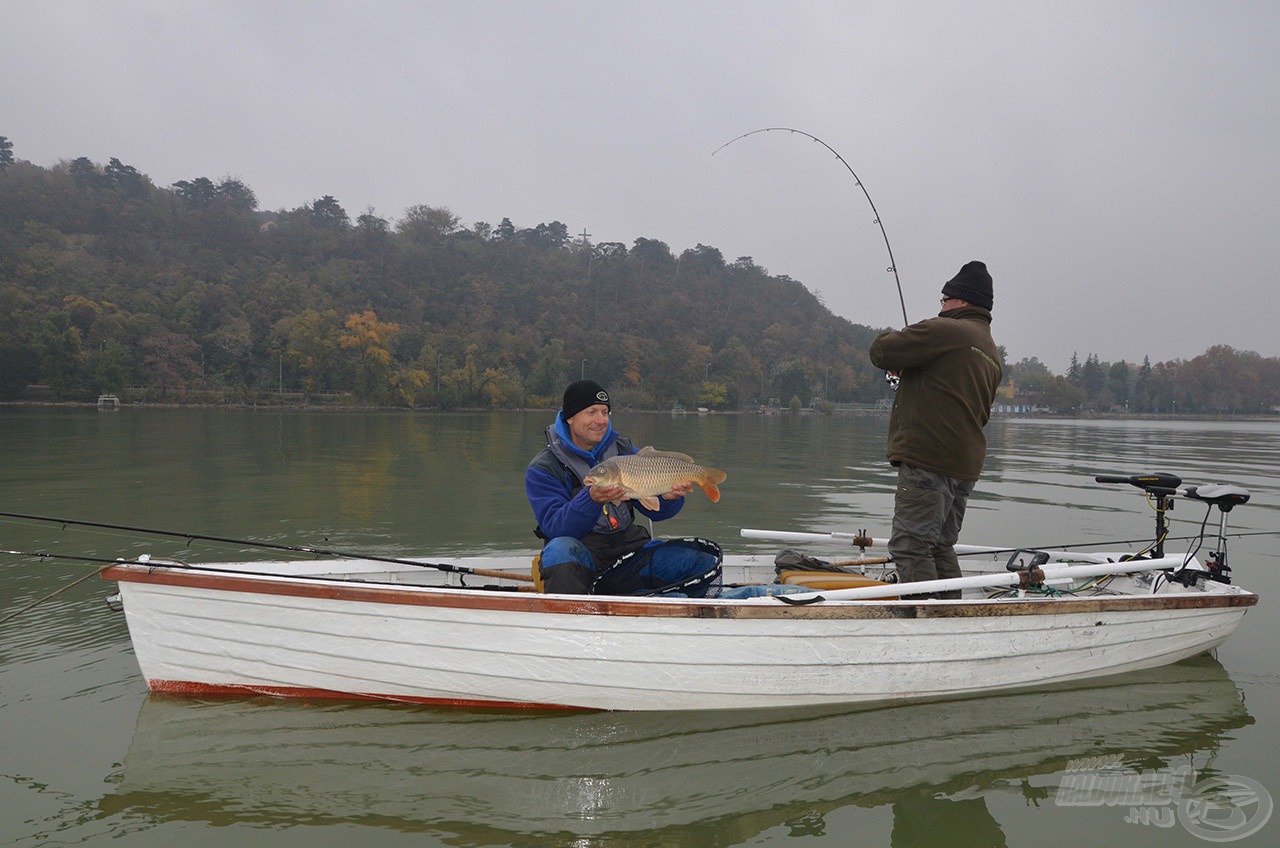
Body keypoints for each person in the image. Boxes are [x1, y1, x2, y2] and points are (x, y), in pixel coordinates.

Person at [868, 260, 1003, 598]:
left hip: (929, 458)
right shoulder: (989, 351)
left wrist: (907, 345)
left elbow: (881, 350)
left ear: (960, 301)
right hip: (964, 464)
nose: (940, 307)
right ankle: (951, 613)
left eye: (943, 301)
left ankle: (926, 620)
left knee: (910, 546)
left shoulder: (946, 330)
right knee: (940, 545)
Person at [525, 379, 693, 593]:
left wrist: (669, 498)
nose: (600, 420)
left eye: (605, 412)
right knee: (559, 550)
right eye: (591, 412)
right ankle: (571, 618)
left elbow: (657, 511)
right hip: (581, 553)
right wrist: (591, 499)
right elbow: (556, 527)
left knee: (685, 559)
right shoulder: (544, 468)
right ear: (570, 417)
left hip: (627, 547)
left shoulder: (624, 451)